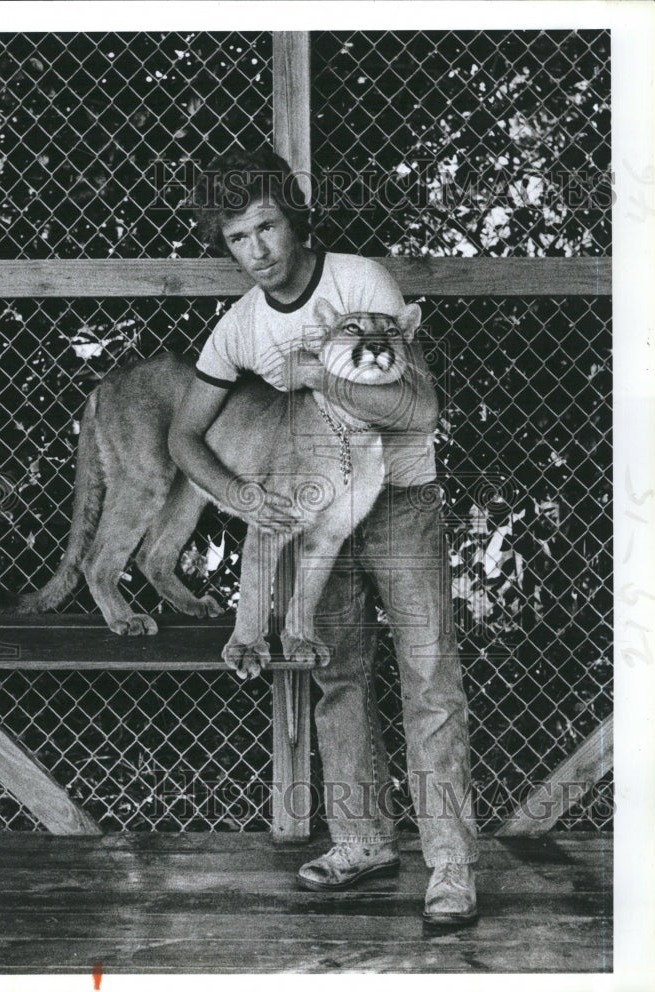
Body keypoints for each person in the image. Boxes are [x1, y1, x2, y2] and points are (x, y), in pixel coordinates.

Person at [168, 147, 478, 925]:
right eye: (237, 238)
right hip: (317, 518)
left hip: (399, 503)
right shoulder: (239, 328)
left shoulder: (359, 281)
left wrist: (314, 374)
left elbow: (417, 409)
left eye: (266, 226)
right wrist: (238, 494)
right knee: (337, 676)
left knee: (429, 680)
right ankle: (362, 842)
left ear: (293, 218)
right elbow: (182, 436)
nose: (257, 250)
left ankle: (449, 867)